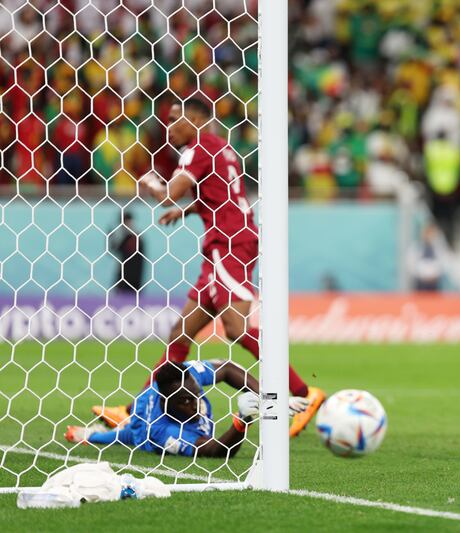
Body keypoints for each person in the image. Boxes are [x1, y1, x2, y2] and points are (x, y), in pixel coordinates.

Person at [94, 98, 324, 438]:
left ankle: (304, 393)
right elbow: (219, 194)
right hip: (226, 243)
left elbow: (169, 194)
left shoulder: (195, 148)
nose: (169, 127)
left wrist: (150, 181)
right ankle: (133, 411)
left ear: (196, 118)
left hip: (228, 245)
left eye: (175, 119)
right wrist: (186, 212)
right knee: (180, 334)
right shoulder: (220, 147)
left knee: (235, 327)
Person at [67, 360, 309, 458]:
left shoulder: (187, 375)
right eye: (184, 401)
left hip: (148, 401)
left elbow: (226, 368)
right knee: (128, 435)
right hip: (145, 429)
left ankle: (121, 416)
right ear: (165, 401)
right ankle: (92, 434)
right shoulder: (162, 431)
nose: (193, 404)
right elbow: (215, 451)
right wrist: (243, 419)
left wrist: (268, 397)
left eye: (194, 396)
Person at [108, 212, 145, 294]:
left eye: (127, 221)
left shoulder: (136, 237)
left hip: (135, 275)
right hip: (123, 275)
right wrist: (110, 237)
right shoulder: (124, 237)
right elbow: (114, 249)